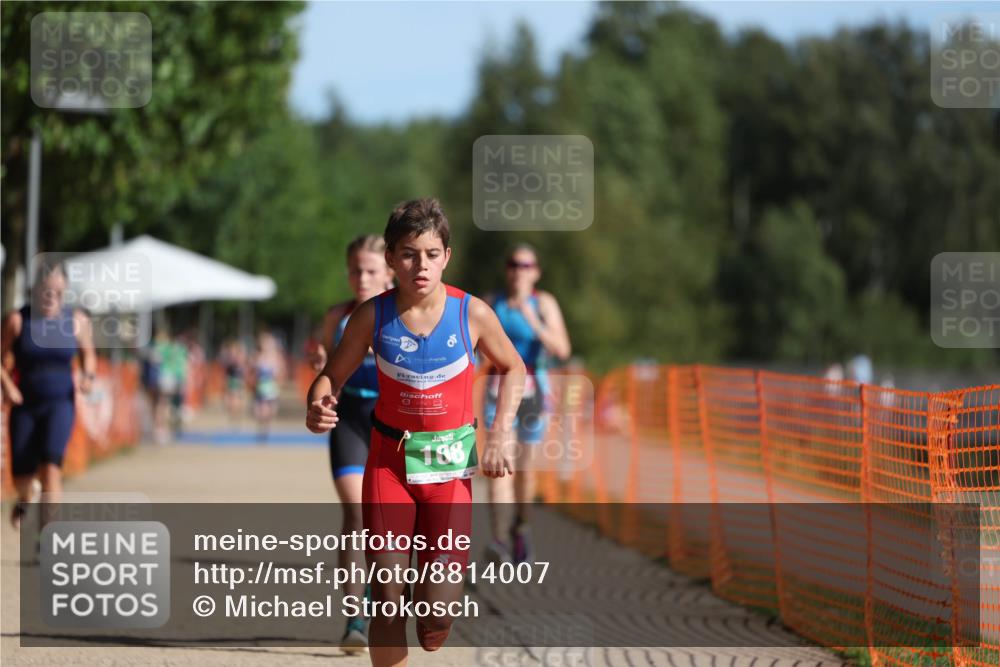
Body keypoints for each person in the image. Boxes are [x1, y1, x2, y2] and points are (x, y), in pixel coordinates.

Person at [306, 197, 525, 666]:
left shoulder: (473, 313)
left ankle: (432, 610)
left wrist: (501, 431)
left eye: (430, 254)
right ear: (391, 259)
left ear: (447, 255)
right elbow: (332, 375)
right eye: (408, 254)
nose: (419, 265)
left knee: (436, 621)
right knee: (387, 593)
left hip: (447, 469)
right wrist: (317, 401)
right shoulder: (371, 316)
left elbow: (514, 367)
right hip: (390, 463)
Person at [312, 234, 394, 654]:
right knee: (356, 515)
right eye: (355, 270)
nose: (362, 278)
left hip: (393, 422)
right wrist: (321, 372)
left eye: (371, 271)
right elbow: (327, 360)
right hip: (350, 421)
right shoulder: (337, 316)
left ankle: (384, 601)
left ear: (388, 273)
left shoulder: (403, 315)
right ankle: (355, 619)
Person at [481, 244, 571, 564]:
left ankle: (522, 526)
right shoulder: (493, 303)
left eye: (526, 265)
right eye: (513, 264)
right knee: (497, 466)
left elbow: (562, 348)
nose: (519, 270)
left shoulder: (543, 303)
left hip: (534, 388)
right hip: (498, 387)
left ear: (536, 272)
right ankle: (499, 539)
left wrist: (533, 320)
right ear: (507, 270)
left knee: (524, 471)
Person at [1, 261, 96, 529]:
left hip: (60, 404)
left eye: (57, 290)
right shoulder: (18, 320)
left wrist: (88, 377)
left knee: (52, 467)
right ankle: (24, 498)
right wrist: (7, 385)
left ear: (64, 288)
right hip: (25, 404)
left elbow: (88, 354)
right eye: (46, 289)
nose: (51, 295)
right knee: (22, 477)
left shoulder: (76, 321)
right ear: (36, 288)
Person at [249, 331, 285, 442]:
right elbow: (251, 372)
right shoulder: (256, 357)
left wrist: (279, 382)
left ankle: (266, 429)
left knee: (270, 413)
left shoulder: (276, 357)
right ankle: (262, 429)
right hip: (260, 389)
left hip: (272, 389)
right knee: (260, 412)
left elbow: (281, 372)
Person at [220, 338, 247, 425]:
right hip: (230, 380)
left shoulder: (239, 357)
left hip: (237, 380)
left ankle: (236, 411)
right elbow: (225, 367)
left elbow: (242, 366)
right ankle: (233, 411)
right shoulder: (228, 358)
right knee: (228, 399)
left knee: (235, 398)